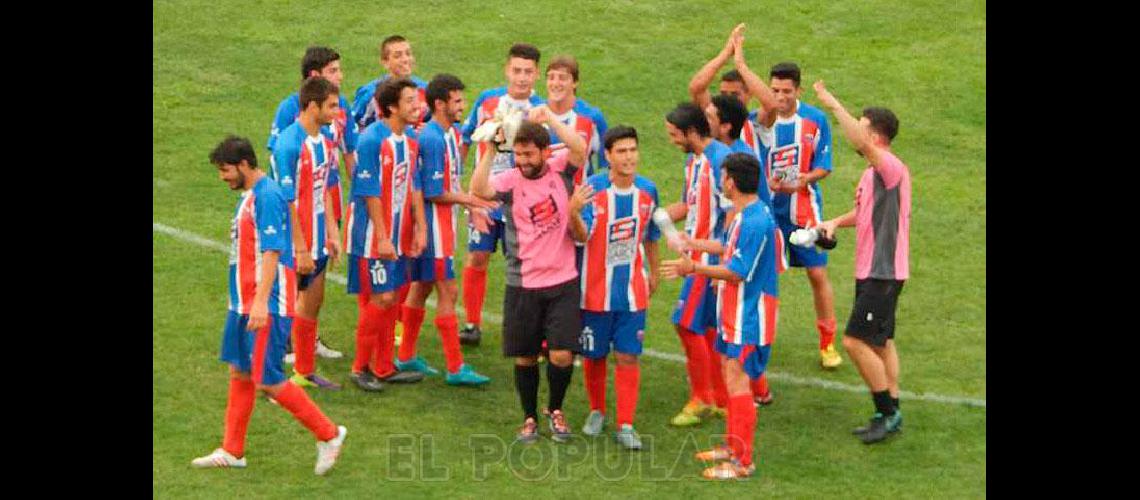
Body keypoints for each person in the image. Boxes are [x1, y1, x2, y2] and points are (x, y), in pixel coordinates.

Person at [192, 136, 346, 475]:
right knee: (240, 372)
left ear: (244, 164)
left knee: (267, 378)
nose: (223, 177)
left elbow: (273, 250)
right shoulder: (253, 195)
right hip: (243, 303)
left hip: (267, 304)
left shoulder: (268, 196)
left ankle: (329, 434)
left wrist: (261, 303)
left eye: (226, 170)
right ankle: (233, 450)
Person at [468, 105, 590, 444]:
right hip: (523, 283)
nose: (522, 161)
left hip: (562, 279)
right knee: (525, 356)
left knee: (562, 354)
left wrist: (550, 117)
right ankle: (529, 417)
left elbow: (580, 147)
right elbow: (478, 189)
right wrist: (493, 148)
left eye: (528, 154)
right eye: (518, 154)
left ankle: (556, 409)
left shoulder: (560, 169)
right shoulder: (509, 181)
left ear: (545, 152)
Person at [661, 152, 781, 480]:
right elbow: (727, 247)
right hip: (735, 312)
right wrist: (692, 242)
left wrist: (694, 268)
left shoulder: (756, 220)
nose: (721, 181)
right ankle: (731, 446)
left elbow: (738, 271)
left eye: (724, 176)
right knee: (731, 375)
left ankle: (743, 462)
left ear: (731, 181)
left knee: (739, 380)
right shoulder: (743, 214)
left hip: (750, 316)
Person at [813, 81, 911, 444]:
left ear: (875, 134)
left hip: (882, 272)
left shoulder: (892, 168)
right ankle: (892, 406)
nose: (857, 129)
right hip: (873, 270)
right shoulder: (873, 176)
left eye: (862, 124)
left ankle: (887, 412)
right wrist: (835, 223)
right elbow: (863, 213)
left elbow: (859, 142)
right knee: (882, 342)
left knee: (855, 342)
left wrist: (832, 104)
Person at [396, 73, 495, 385]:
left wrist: (468, 206)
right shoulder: (433, 139)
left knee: (421, 287)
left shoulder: (450, 134)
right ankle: (455, 367)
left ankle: (406, 355)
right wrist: (470, 201)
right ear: (439, 104)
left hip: (443, 226)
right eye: (457, 101)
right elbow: (432, 190)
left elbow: (447, 182)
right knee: (448, 290)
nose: (462, 106)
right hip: (432, 227)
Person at [267, 46, 357, 362]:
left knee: (313, 297)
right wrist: (301, 246)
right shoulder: (290, 142)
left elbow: (324, 187)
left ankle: (303, 366)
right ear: (314, 104)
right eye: (331, 107)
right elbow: (286, 198)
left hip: (318, 229)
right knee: (283, 300)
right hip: (294, 234)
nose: (338, 113)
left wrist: (332, 231)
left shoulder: (322, 139)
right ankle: (274, 364)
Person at [577, 126, 660, 450]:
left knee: (628, 356)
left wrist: (653, 271)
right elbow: (580, 236)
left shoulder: (648, 191)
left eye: (632, 150)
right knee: (594, 356)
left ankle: (626, 423)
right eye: (621, 151)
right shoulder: (592, 189)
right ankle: (597, 410)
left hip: (632, 292)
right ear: (608, 156)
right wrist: (573, 211)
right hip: (593, 291)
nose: (629, 157)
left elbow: (651, 235)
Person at [756, 61, 843, 369]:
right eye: (774, 90)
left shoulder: (814, 120)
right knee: (766, 279)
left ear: (798, 91)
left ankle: (828, 344)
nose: (779, 97)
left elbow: (825, 165)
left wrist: (803, 180)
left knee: (818, 274)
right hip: (767, 215)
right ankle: (759, 343)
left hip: (804, 212)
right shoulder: (758, 122)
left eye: (786, 91)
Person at [458, 43, 546, 346]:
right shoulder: (487, 101)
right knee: (478, 256)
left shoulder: (540, 111)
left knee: (522, 266)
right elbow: (466, 140)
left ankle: (525, 328)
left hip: (520, 203)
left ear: (536, 75)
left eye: (528, 72)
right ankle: (471, 323)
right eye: (517, 70)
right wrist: (465, 193)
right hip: (484, 197)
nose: (522, 77)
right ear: (507, 70)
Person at [344, 78, 429, 391]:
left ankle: (383, 366)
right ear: (392, 107)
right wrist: (381, 236)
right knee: (382, 298)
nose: (417, 106)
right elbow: (368, 191)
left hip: (400, 233)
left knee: (394, 297)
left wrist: (420, 226)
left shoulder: (409, 140)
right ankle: (359, 367)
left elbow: (414, 185)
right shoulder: (371, 140)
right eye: (409, 101)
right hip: (371, 236)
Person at [661, 102, 734, 426]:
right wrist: (658, 218)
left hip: (709, 260)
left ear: (692, 132)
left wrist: (725, 263)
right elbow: (690, 204)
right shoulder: (694, 162)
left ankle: (702, 398)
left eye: (675, 135)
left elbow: (733, 214)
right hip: (695, 254)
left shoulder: (720, 161)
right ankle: (720, 398)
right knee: (704, 327)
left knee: (685, 323)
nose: (672, 141)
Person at [543, 55, 609, 186]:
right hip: (541, 201)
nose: (555, 83)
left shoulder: (592, 117)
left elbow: (609, 165)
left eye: (562, 78)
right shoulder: (533, 115)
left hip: (580, 199)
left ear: (575, 82)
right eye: (551, 77)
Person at [351, 35, 430, 131]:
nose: (405, 59)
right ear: (385, 62)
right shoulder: (370, 93)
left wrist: (429, 130)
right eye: (398, 56)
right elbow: (353, 127)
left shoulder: (425, 89)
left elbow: (438, 122)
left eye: (408, 54)